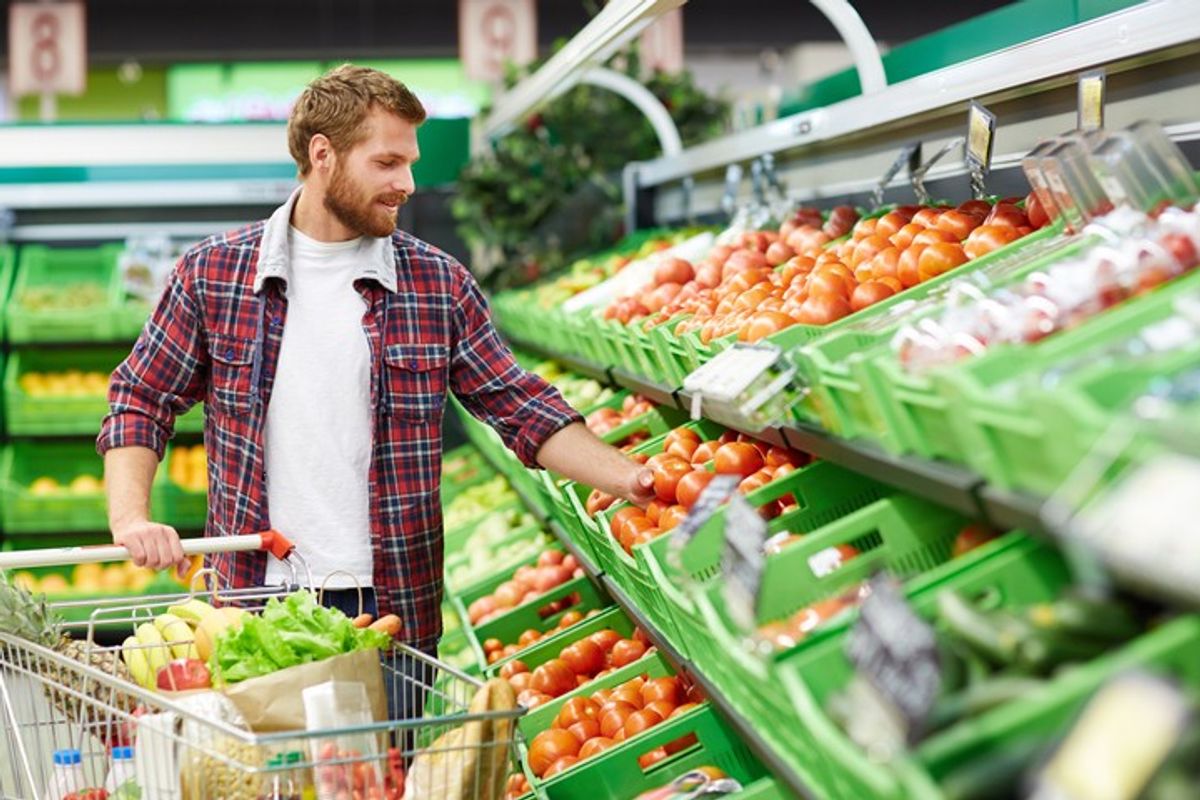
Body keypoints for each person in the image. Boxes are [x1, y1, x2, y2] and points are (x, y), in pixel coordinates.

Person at [97, 64, 656, 662]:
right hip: (254, 606)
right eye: (387, 163)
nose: (408, 183)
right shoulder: (214, 275)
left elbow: (520, 408)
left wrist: (634, 480)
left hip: (391, 613)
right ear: (323, 155)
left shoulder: (436, 284)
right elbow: (141, 397)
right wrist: (131, 518)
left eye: (409, 163)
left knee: (388, 760)